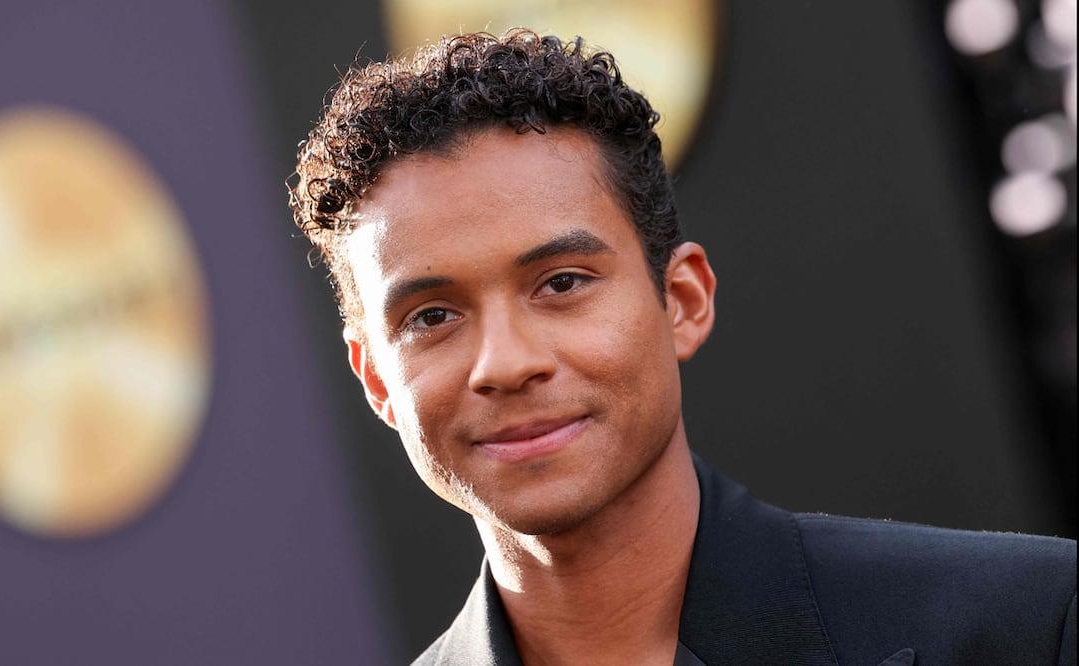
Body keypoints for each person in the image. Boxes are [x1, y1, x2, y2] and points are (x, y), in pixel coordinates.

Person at [288, 29, 1076, 665]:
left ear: (683, 301)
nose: (504, 362)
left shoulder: (1024, 624)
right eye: (431, 317)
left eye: (560, 283)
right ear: (377, 381)